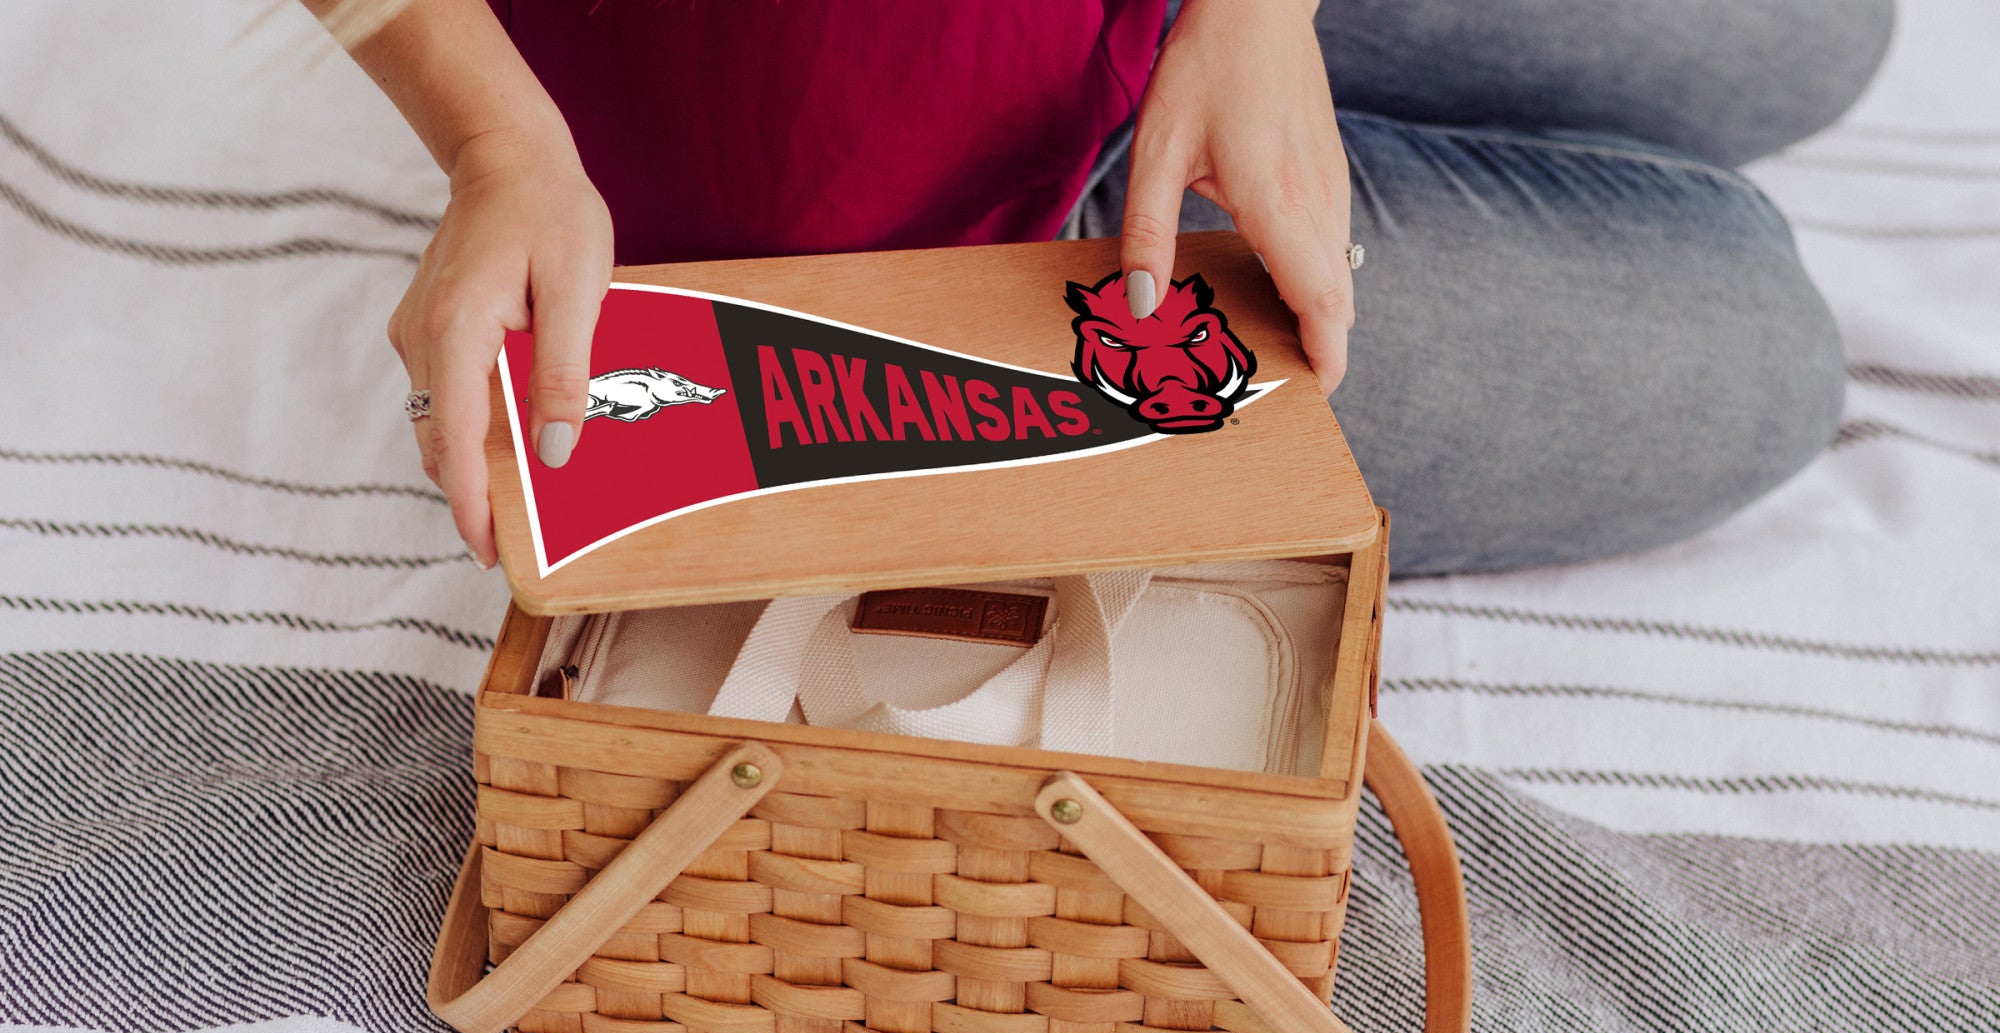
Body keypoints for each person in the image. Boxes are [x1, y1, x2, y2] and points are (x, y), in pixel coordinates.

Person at [312, 0, 1892, 576]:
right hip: (873, 207)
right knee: (1758, 347)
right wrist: (497, 134)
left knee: (1818, 24)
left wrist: (1261, 16)